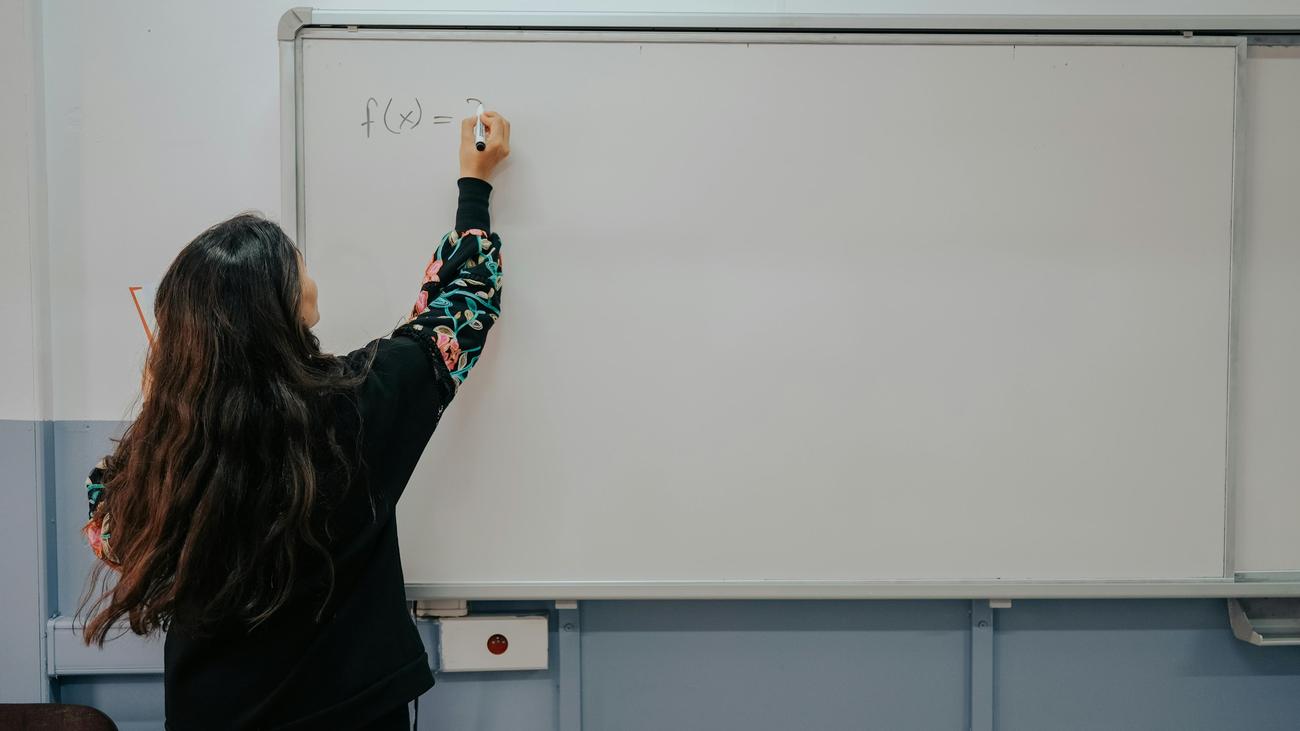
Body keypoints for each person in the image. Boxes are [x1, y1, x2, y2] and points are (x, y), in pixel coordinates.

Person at [78, 112, 511, 730]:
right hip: (353, 714)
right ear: (286, 306)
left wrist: (161, 403)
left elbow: (110, 531)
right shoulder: (358, 402)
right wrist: (475, 183)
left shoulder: (173, 445)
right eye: (298, 264)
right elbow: (463, 303)